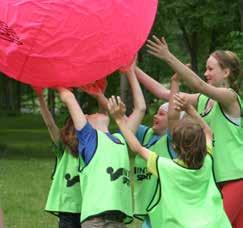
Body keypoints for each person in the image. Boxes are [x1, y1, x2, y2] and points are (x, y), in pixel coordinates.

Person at [108, 75, 231, 228]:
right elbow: (208, 132)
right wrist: (191, 110)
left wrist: (119, 119)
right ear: (200, 143)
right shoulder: (207, 161)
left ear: (175, 146)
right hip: (216, 223)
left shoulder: (166, 167)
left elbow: (136, 148)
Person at [146, 35, 243, 227]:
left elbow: (199, 85)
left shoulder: (230, 98)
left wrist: (168, 57)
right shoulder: (202, 100)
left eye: (210, 69)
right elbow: (164, 94)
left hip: (235, 178)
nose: (206, 73)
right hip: (215, 180)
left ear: (226, 72)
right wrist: (132, 70)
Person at [58, 64, 146, 227]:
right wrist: (55, 74)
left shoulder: (120, 139)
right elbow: (68, 97)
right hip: (96, 221)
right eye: (87, 115)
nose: (90, 114)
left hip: (117, 221)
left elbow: (140, 108)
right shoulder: (90, 139)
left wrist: (130, 69)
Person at [36, 90, 82, 228]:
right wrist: (40, 98)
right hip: (67, 208)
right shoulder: (63, 147)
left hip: (88, 208)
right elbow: (50, 124)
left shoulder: (92, 147)